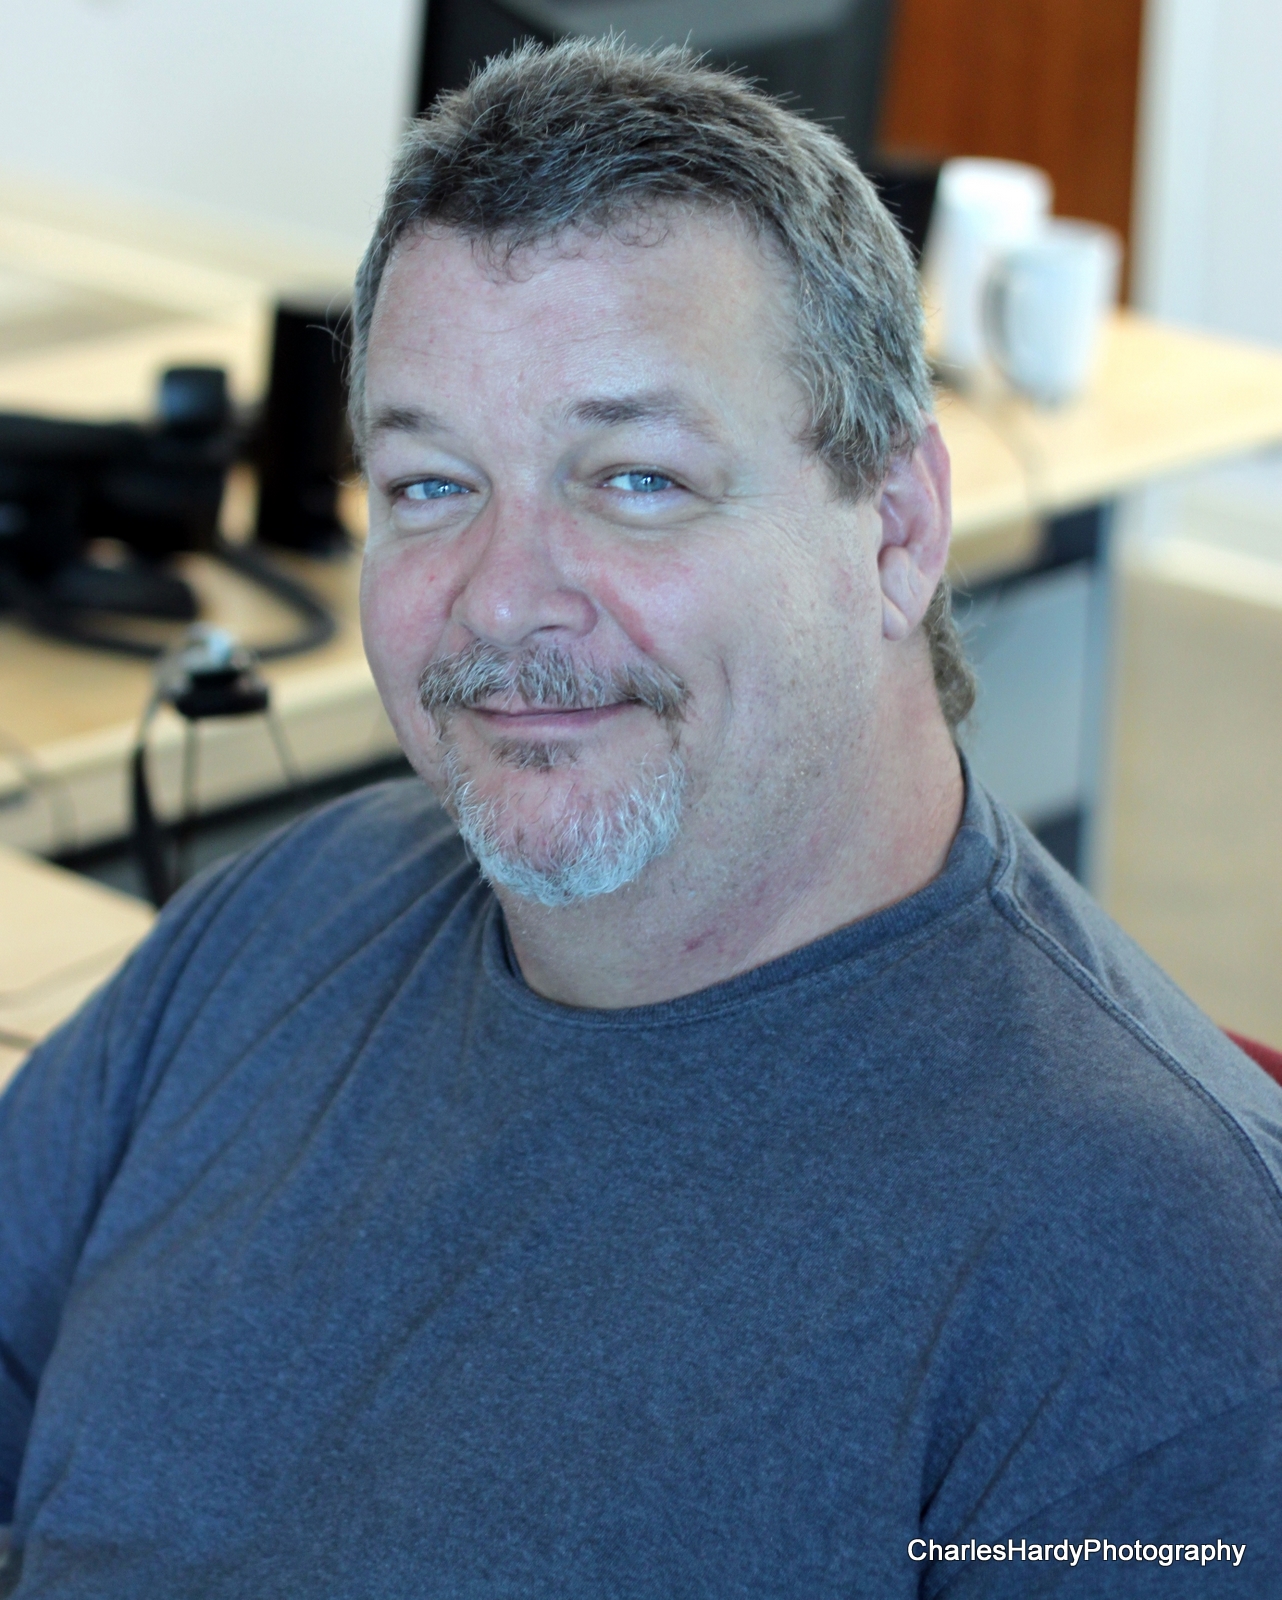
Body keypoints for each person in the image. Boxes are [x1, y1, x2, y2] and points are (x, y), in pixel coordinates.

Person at [2, 39, 1280, 1599]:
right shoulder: (285, 918)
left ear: (894, 529)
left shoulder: (1163, 1285)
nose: (501, 597)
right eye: (428, 485)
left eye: (635, 479)